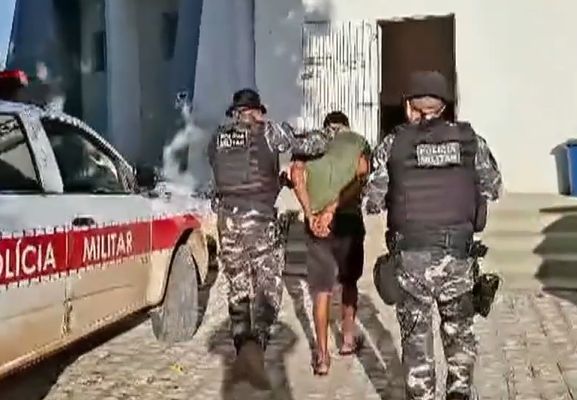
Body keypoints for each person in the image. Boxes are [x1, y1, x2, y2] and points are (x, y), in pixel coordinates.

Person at [362, 71, 502, 400]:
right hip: (458, 257)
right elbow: (494, 187)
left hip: (412, 261)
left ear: (410, 107)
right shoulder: (471, 141)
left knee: (416, 342)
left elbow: (371, 202)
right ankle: (459, 392)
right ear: (444, 107)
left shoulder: (393, 144)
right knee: (460, 335)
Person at [207, 88, 333, 390]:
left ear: (234, 113)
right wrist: (329, 135)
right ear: (257, 112)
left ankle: (242, 345)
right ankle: (258, 346)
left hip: (227, 220)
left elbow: (230, 175)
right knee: (268, 287)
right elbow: (309, 145)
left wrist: (275, 181)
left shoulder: (217, 138)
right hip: (260, 220)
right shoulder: (268, 131)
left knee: (237, 285)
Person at [288, 111, 370, 376]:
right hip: (348, 221)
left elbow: (296, 174)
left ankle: (322, 357)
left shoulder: (310, 141)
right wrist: (333, 209)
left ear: (326, 127)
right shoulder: (357, 141)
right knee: (349, 282)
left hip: (317, 227)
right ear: (346, 125)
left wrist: (311, 213)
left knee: (321, 291)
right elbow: (361, 175)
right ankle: (347, 341)